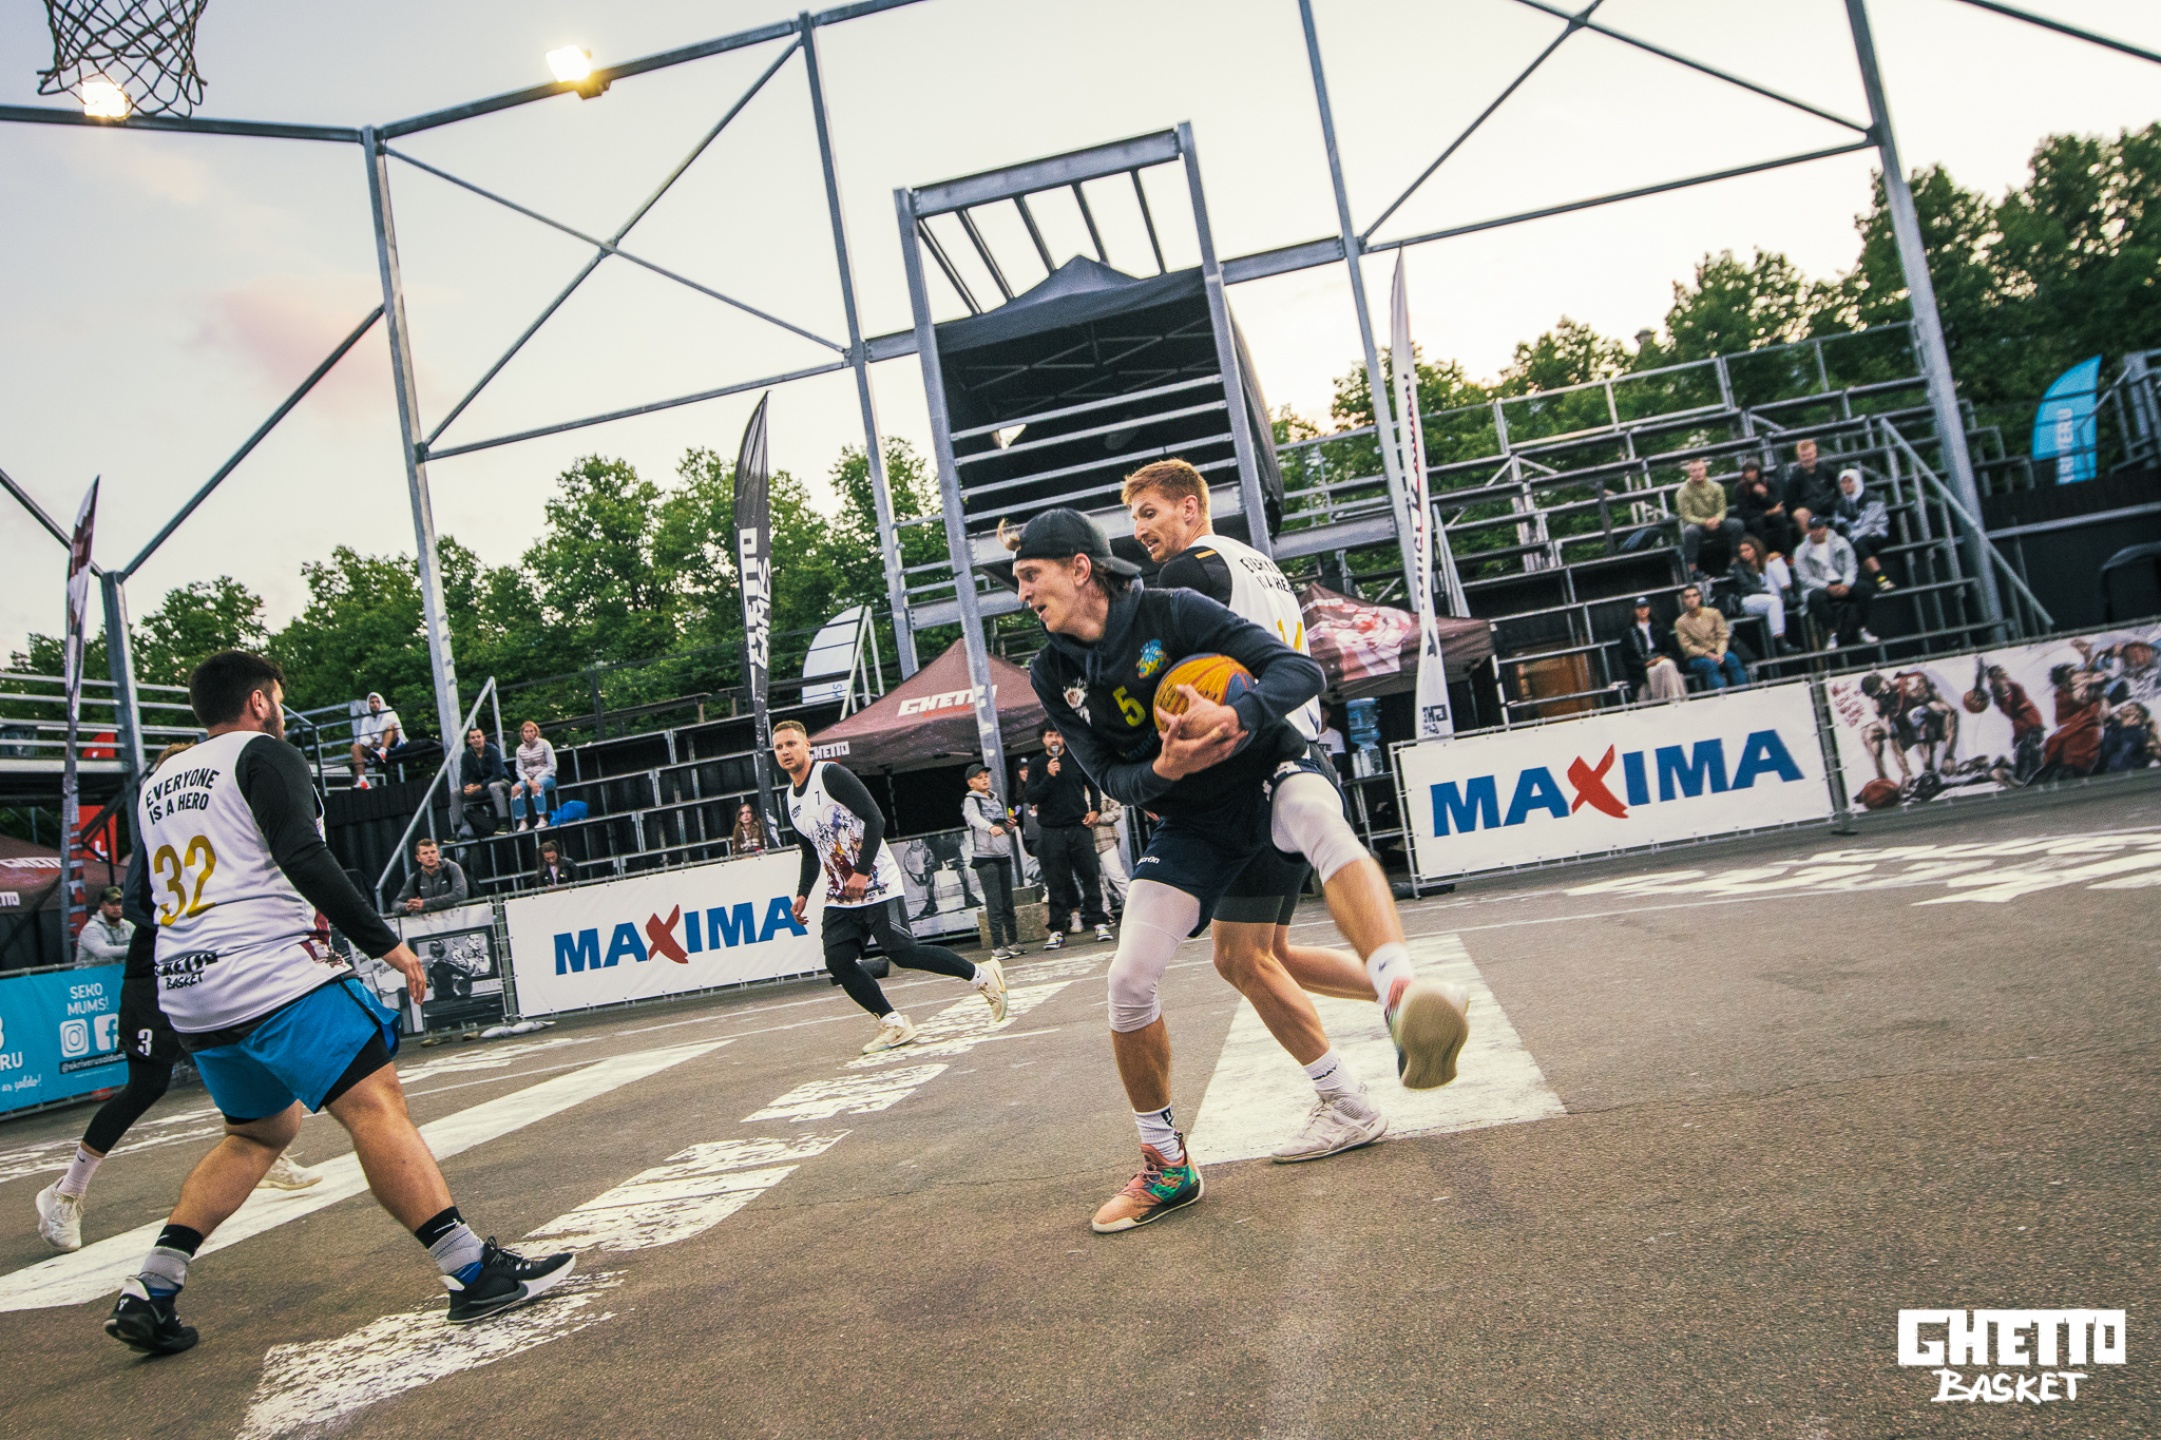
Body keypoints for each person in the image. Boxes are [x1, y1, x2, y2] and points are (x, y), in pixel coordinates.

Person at [1000, 507, 1469, 1232]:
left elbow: (1299, 670)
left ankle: (1400, 992)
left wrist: (1236, 715)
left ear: (1080, 567)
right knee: (1136, 977)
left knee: (1316, 819)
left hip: (1268, 768)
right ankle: (1168, 1165)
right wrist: (1164, 766)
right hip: (1194, 818)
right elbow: (1112, 777)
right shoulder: (1050, 671)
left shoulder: (1173, 610)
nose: (1023, 593)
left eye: (1031, 575)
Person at [104, 651, 572, 1355]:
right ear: (259, 701)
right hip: (265, 972)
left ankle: (153, 1284)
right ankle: (472, 1272)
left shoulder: (155, 785)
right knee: (376, 1105)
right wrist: (384, 942)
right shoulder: (263, 754)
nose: (280, 710)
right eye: (277, 698)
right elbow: (302, 853)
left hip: (189, 987)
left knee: (258, 1134)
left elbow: (142, 900)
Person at [1125, 458, 1393, 1161]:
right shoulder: (1256, 564)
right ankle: (1410, 994)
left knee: (1241, 956)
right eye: (1135, 519)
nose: (1141, 530)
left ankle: (1346, 1102)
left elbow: (1161, 673)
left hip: (1251, 768)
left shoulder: (1186, 573)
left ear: (1189, 507)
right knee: (1266, 952)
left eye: (1150, 513)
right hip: (1298, 753)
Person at [37, 780, 320, 1255]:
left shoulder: (215, 829)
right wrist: (188, 920)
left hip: (208, 967)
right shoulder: (159, 831)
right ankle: (66, 1192)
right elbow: (133, 903)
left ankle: (267, 1150)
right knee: (147, 1085)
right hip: (155, 972)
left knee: (243, 1056)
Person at [774, 720, 1008, 1053]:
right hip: (841, 895)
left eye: (791, 744)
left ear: (806, 745)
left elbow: (875, 818)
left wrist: (861, 872)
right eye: (779, 747)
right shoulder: (790, 799)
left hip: (877, 881)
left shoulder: (830, 776)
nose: (785, 751)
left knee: (903, 952)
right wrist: (802, 893)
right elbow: (811, 854)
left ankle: (982, 976)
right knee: (838, 960)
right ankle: (893, 1023)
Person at [1027, 725, 1113, 950]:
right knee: (1056, 881)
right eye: (1049, 735)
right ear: (1043, 739)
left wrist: (1095, 810)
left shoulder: (1076, 758)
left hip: (1079, 826)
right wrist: (1049, 776)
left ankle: (1099, 922)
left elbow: (1093, 785)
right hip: (1052, 830)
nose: (1054, 739)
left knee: (1090, 875)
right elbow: (1032, 796)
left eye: (1057, 734)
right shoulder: (1037, 764)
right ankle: (1057, 929)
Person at [962, 763, 1022, 961]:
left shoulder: (997, 799)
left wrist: (1008, 825)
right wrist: (989, 827)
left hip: (1002, 853)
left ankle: (1013, 941)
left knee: (1007, 900)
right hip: (984, 855)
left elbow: (1002, 824)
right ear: (971, 783)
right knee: (994, 900)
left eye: (985, 776)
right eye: (979, 777)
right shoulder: (971, 800)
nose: (985, 780)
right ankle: (997, 944)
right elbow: (973, 818)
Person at [1795, 513, 1875, 649]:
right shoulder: (1801, 551)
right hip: (1820, 585)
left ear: (1825, 528)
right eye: (1813, 528)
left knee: (1865, 588)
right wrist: (1826, 586)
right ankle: (1832, 634)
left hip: (1843, 581)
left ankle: (1863, 629)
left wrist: (1846, 584)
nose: (1817, 531)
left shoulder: (1841, 542)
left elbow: (1851, 567)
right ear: (1809, 531)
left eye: (1819, 527)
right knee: (1814, 598)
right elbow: (1804, 578)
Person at [1674, 458, 1742, 579]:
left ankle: (1734, 563)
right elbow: (1686, 516)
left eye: (1700, 469)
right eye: (1694, 470)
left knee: (1737, 524)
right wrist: (1705, 522)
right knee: (1690, 531)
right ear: (1689, 473)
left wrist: (1717, 519)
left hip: (1717, 523)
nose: (1698, 473)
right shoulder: (1682, 491)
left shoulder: (1716, 486)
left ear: (1705, 469)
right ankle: (1693, 570)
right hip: (1698, 526)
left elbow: (1722, 509)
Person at [1831, 469, 1897, 593]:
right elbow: (1839, 525)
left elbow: (1869, 525)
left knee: (1859, 544)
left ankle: (1882, 579)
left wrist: (1850, 537)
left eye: (1849, 481)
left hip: (1876, 533)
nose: (1846, 485)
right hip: (1854, 537)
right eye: (1843, 482)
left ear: (1856, 481)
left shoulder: (1872, 498)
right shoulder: (1841, 504)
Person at [1729, 535, 1795, 656]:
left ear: (1756, 549)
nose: (1744, 554)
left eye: (1747, 550)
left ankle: (1788, 594)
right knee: (1774, 601)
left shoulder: (1765, 562)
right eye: (1741, 551)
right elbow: (1747, 587)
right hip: (1750, 599)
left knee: (1776, 560)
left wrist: (1775, 556)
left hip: (1773, 595)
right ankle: (1780, 641)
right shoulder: (1739, 567)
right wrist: (1768, 593)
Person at [1674, 584, 1748, 690]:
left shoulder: (1713, 613)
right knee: (1710, 665)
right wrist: (1707, 654)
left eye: (1694, 595)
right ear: (1683, 600)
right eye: (1687, 597)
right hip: (1696, 657)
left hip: (1718, 651)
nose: (1691, 599)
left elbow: (1723, 635)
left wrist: (1720, 653)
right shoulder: (1680, 622)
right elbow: (1687, 646)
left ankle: (1744, 692)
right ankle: (1721, 695)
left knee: (1733, 659)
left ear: (1699, 597)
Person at [1619, 596, 1686, 702]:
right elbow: (1627, 659)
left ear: (1649, 608)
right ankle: (1676, 700)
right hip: (1643, 669)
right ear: (1634, 610)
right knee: (1664, 668)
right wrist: (1645, 664)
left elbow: (1672, 649)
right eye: (1639, 608)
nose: (1642, 610)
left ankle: (1671, 700)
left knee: (1667, 665)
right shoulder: (1628, 634)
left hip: (1662, 660)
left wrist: (1663, 657)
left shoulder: (1660, 627)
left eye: (1645, 607)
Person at [1733, 459, 1796, 559]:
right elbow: (1745, 512)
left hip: (1771, 515)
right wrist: (1767, 512)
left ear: (1758, 471)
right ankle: (1763, 558)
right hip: (1754, 518)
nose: (1750, 474)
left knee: (1780, 518)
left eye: (1752, 471)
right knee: (1757, 523)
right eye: (1747, 472)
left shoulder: (1769, 482)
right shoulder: (1740, 488)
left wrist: (1765, 495)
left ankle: (1788, 555)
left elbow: (1778, 503)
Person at [394, 838, 468, 916]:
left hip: (457, 916)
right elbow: (396, 903)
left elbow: (460, 894)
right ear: (418, 858)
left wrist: (424, 903)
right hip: (429, 921)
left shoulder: (452, 868)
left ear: (438, 854)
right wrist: (407, 907)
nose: (430, 856)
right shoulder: (416, 878)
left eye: (433, 852)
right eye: (425, 853)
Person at [457, 728, 512, 834]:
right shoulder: (466, 755)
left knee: (493, 786)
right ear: (469, 741)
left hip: (503, 783)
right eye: (473, 738)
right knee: (455, 793)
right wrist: (466, 788)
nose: (476, 740)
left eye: (479, 736)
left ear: (483, 738)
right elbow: (463, 777)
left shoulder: (493, 750)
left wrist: (478, 787)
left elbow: (497, 775)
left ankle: (504, 824)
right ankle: (457, 831)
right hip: (481, 787)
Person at [1782, 437, 1840, 533]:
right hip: (1808, 510)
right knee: (1800, 514)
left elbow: (1838, 492)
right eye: (1804, 455)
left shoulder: (1828, 471)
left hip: (1828, 504)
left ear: (1815, 454)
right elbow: (1790, 504)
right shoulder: (1794, 478)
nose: (1807, 458)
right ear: (1798, 457)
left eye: (1810, 454)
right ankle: (1812, 539)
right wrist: (1807, 505)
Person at [348, 692, 401, 789]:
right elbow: (363, 739)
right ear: (369, 704)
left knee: (390, 727)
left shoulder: (389, 710)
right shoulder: (366, 719)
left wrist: (375, 738)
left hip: (393, 745)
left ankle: (382, 751)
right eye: (372, 702)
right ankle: (362, 780)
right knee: (355, 747)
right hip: (375, 747)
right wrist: (373, 744)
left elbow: (386, 722)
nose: (375, 704)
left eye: (377, 702)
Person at [510, 720, 557, 830]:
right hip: (528, 778)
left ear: (536, 732)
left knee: (537, 786)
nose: (529, 734)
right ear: (522, 733)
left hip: (547, 777)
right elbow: (519, 769)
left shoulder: (545, 744)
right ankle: (522, 821)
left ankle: (542, 818)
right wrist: (527, 780)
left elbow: (552, 766)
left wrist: (536, 779)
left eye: (531, 731)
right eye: (526, 731)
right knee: (516, 789)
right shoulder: (519, 750)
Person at [1091, 792, 1130, 913]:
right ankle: (1105, 912)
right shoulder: (1074, 789)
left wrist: (1097, 818)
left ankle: (1137, 907)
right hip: (1084, 840)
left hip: (1105, 838)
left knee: (1116, 875)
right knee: (1094, 880)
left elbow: (1116, 812)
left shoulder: (1102, 790)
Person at [76, 884, 133, 964]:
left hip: (117, 971)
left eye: (119, 904)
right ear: (102, 906)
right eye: (111, 904)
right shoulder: (91, 929)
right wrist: (135, 948)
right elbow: (103, 953)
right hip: (91, 972)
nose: (116, 908)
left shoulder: (128, 925)